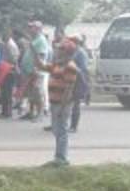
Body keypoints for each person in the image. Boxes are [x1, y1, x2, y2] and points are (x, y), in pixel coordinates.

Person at [38, 39, 81, 167]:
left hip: (62, 104)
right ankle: (59, 156)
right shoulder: (58, 64)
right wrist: (34, 53)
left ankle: (61, 158)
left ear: (66, 52)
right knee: (57, 130)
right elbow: (42, 66)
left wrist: (62, 108)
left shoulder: (70, 67)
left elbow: (69, 89)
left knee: (61, 130)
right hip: (55, 102)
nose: (56, 50)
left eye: (60, 49)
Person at [70, 36, 91, 133]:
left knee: (76, 104)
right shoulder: (75, 52)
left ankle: (74, 126)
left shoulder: (80, 53)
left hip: (78, 80)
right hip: (73, 79)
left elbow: (82, 69)